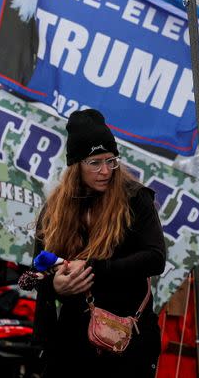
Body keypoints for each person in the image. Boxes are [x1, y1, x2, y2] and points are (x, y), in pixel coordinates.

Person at [33, 109, 166, 378]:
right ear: (76, 165)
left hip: (127, 340)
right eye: (95, 162)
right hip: (72, 343)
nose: (105, 171)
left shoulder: (135, 199)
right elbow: (34, 271)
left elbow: (155, 257)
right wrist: (55, 286)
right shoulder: (55, 209)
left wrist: (94, 269)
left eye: (111, 160)